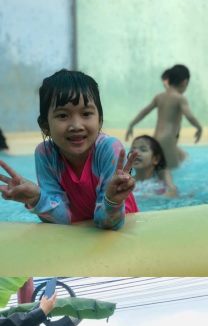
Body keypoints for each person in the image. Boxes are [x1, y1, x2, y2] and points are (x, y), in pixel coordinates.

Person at [0, 70, 137, 230]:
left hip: (120, 227)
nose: (76, 126)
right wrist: (36, 198)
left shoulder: (109, 149)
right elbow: (62, 218)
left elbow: (106, 223)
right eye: (63, 116)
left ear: (99, 120)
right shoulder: (45, 154)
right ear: (45, 127)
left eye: (86, 113)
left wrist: (112, 200)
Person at [124, 64, 203, 170]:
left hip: (155, 140)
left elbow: (144, 112)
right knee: (172, 171)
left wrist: (131, 125)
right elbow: (189, 116)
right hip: (168, 142)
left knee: (182, 158)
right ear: (185, 82)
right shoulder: (180, 98)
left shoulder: (159, 97)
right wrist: (199, 127)